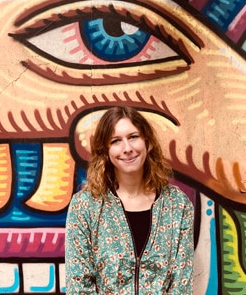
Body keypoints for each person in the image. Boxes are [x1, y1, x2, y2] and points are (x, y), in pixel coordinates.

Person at [65, 106, 195, 294]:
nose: (127, 148)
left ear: (147, 142)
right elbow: (79, 284)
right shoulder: (86, 206)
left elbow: (181, 284)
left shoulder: (177, 205)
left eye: (133, 137)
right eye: (116, 141)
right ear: (106, 151)